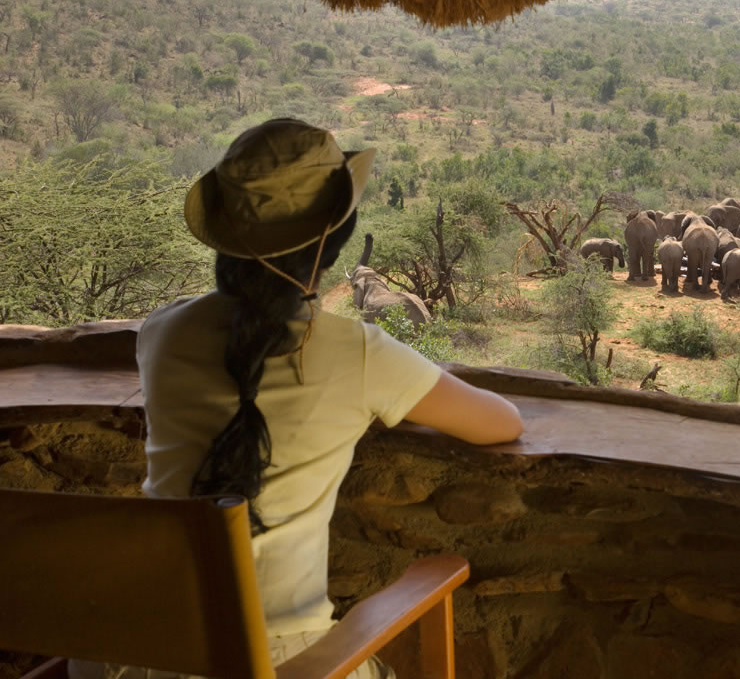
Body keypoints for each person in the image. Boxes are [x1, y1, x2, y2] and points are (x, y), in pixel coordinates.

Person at [69, 118, 522, 679]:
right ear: (332, 242)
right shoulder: (355, 352)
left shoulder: (162, 332)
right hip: (278, 661)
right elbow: (501, 423)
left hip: (131, 654)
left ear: (223, 238)